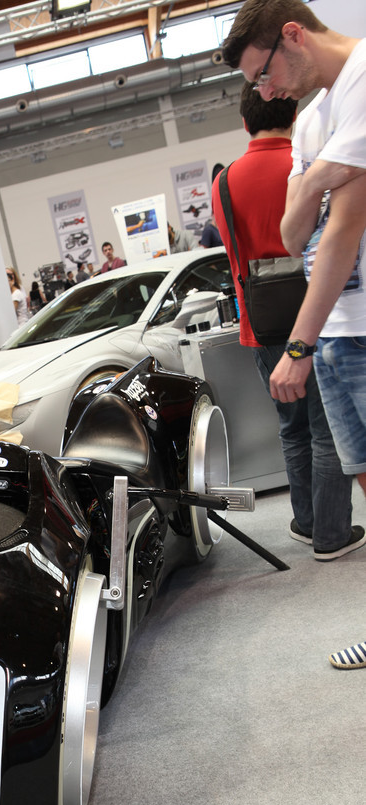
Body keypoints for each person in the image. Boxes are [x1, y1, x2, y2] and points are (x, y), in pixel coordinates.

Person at [222, 0, 366, 666]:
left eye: (264, 74)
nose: (266, 91)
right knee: (358, 473)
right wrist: (320, 180)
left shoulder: (362, 78)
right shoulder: (310, 122)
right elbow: (290, 233)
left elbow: (340, 232)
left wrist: (299, 347)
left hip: (351, 331)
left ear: (292, 36)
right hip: (336, 333)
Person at [212, 82, 360, 562]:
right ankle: (331, 533)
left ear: (244, 122)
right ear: (294, 116)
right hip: (318, 316)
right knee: (326, 427)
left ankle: (306, 522)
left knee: (291, 427)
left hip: (261, 324)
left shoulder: (223, 182)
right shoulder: (305, 166)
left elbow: (234, 252)